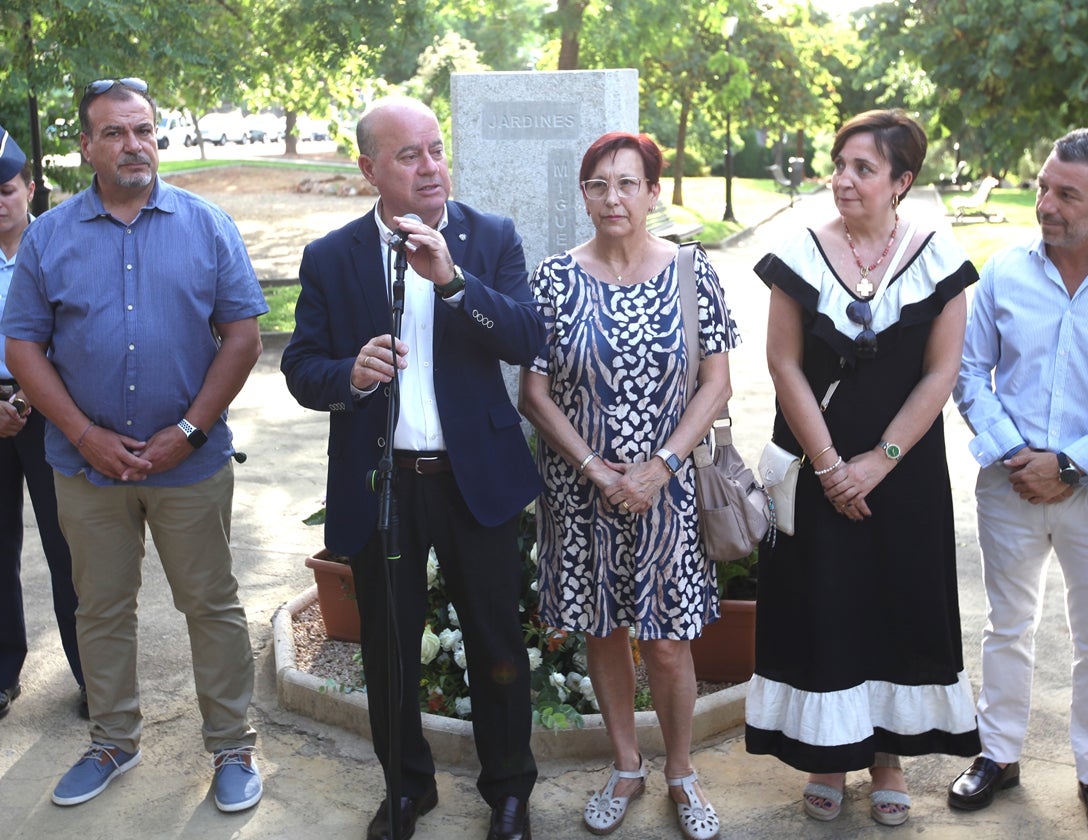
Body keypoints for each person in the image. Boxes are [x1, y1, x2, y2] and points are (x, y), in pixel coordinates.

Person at [280, 96, 541, 840]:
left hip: (475, 482)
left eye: (435, 149)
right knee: (389, 652)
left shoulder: (488, 237)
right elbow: (300, 367)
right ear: (369, 170)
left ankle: (510, 791)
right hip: (381, 486)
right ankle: (406, 787)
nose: (431, 166)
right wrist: (349, 376)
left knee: (497, 645)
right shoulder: (332, 256)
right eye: (408, 155)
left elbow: (525, 337)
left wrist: (455, 281)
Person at [2, 78, 266, 813]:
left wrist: (189, 431)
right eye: (114, 133)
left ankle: (231, 746)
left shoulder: (207, 224)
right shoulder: (51, 236)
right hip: (86, 470)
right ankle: (113, 739)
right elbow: (22, 345)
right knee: (100, 607)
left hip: (191, 465)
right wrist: (84, 435)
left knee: (210, 605)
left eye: (144, 130)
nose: (133, 145)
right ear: (85, 147)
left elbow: (242, 336)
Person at [746, 109, 981, 828]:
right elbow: (782, 361)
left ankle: (890, 758)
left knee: (897, 602)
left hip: (903, 474)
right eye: (841, 164)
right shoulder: (800, 252)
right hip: (816, 470)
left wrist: (875, 466)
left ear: (901, 182)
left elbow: (941, 374)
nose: (843, 180)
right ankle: (828, 753)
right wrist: (828, 466)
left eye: (863, 169)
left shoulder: (937, 257)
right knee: (826, 602)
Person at [518, 132, 739, 840]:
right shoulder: (554, 277)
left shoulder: (690, 271)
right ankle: (624, 764)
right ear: (583, 195)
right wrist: (594, 467)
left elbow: (717, 381)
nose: (612, 198)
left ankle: (680, 772)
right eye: (598, 185)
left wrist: (659, 466)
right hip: (580, 489)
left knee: (669, 642)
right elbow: (534, 392)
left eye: (626, 183)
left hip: (666, 491)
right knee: (604, 630)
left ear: (652, 192)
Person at [950, 127, 1088, 840]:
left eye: (1067, 193)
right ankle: (998, 755)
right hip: (1009, 486)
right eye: (1042, 186)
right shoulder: (1004, 270)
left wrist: (1073, 464)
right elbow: (970, 375)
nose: (1046, 204)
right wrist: (1016, 456)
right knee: (1008, 626)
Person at [0, 125, 86, 721]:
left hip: (50, 411)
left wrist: (33, 399)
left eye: (7, 188)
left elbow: (80, 334)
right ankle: (3, 673)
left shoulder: (58, 247)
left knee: (69, 547)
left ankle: (91, 674)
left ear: (30, 188)